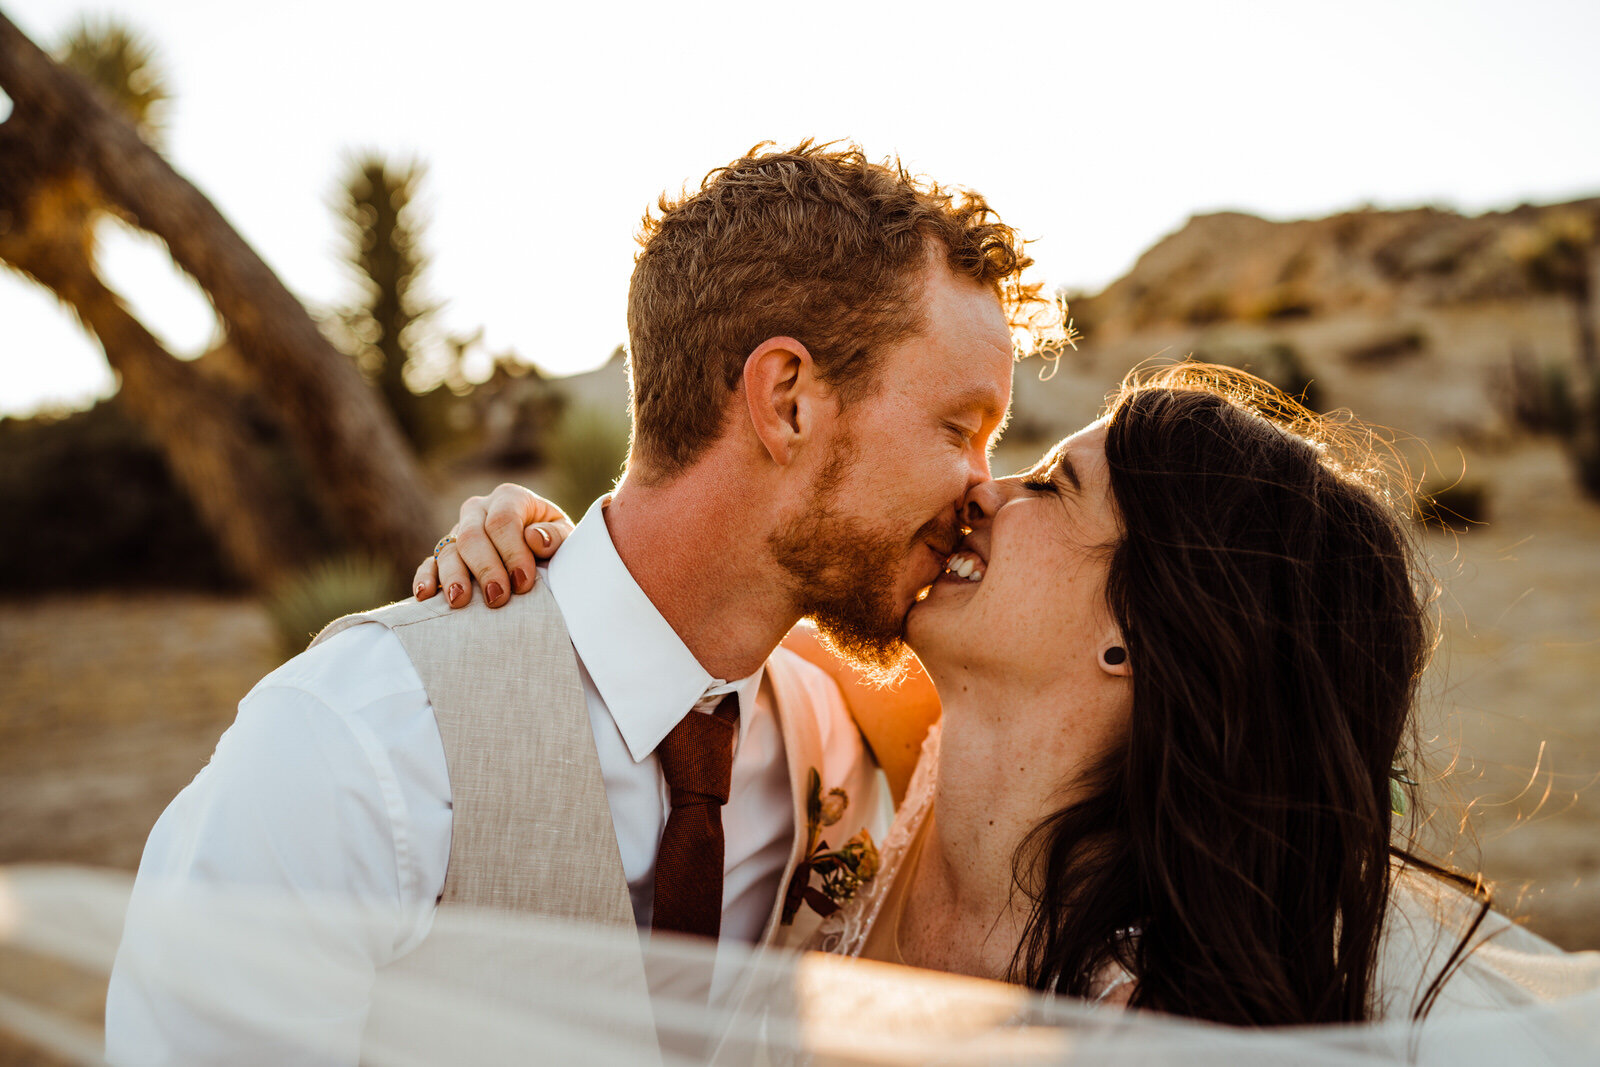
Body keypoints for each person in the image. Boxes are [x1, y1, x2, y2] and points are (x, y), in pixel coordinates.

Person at [105, 140, 1045, 1064]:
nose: (982, 488)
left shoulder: (843, 729)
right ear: (788, 400)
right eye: (960, 428)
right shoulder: (349, 748)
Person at [435, 362, 1571, 1029]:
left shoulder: (1135, 1016)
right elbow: (685, 601)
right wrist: (543, 548)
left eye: (1049, 486)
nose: (982, 491)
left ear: (1138, 631)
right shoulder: (913, 738)